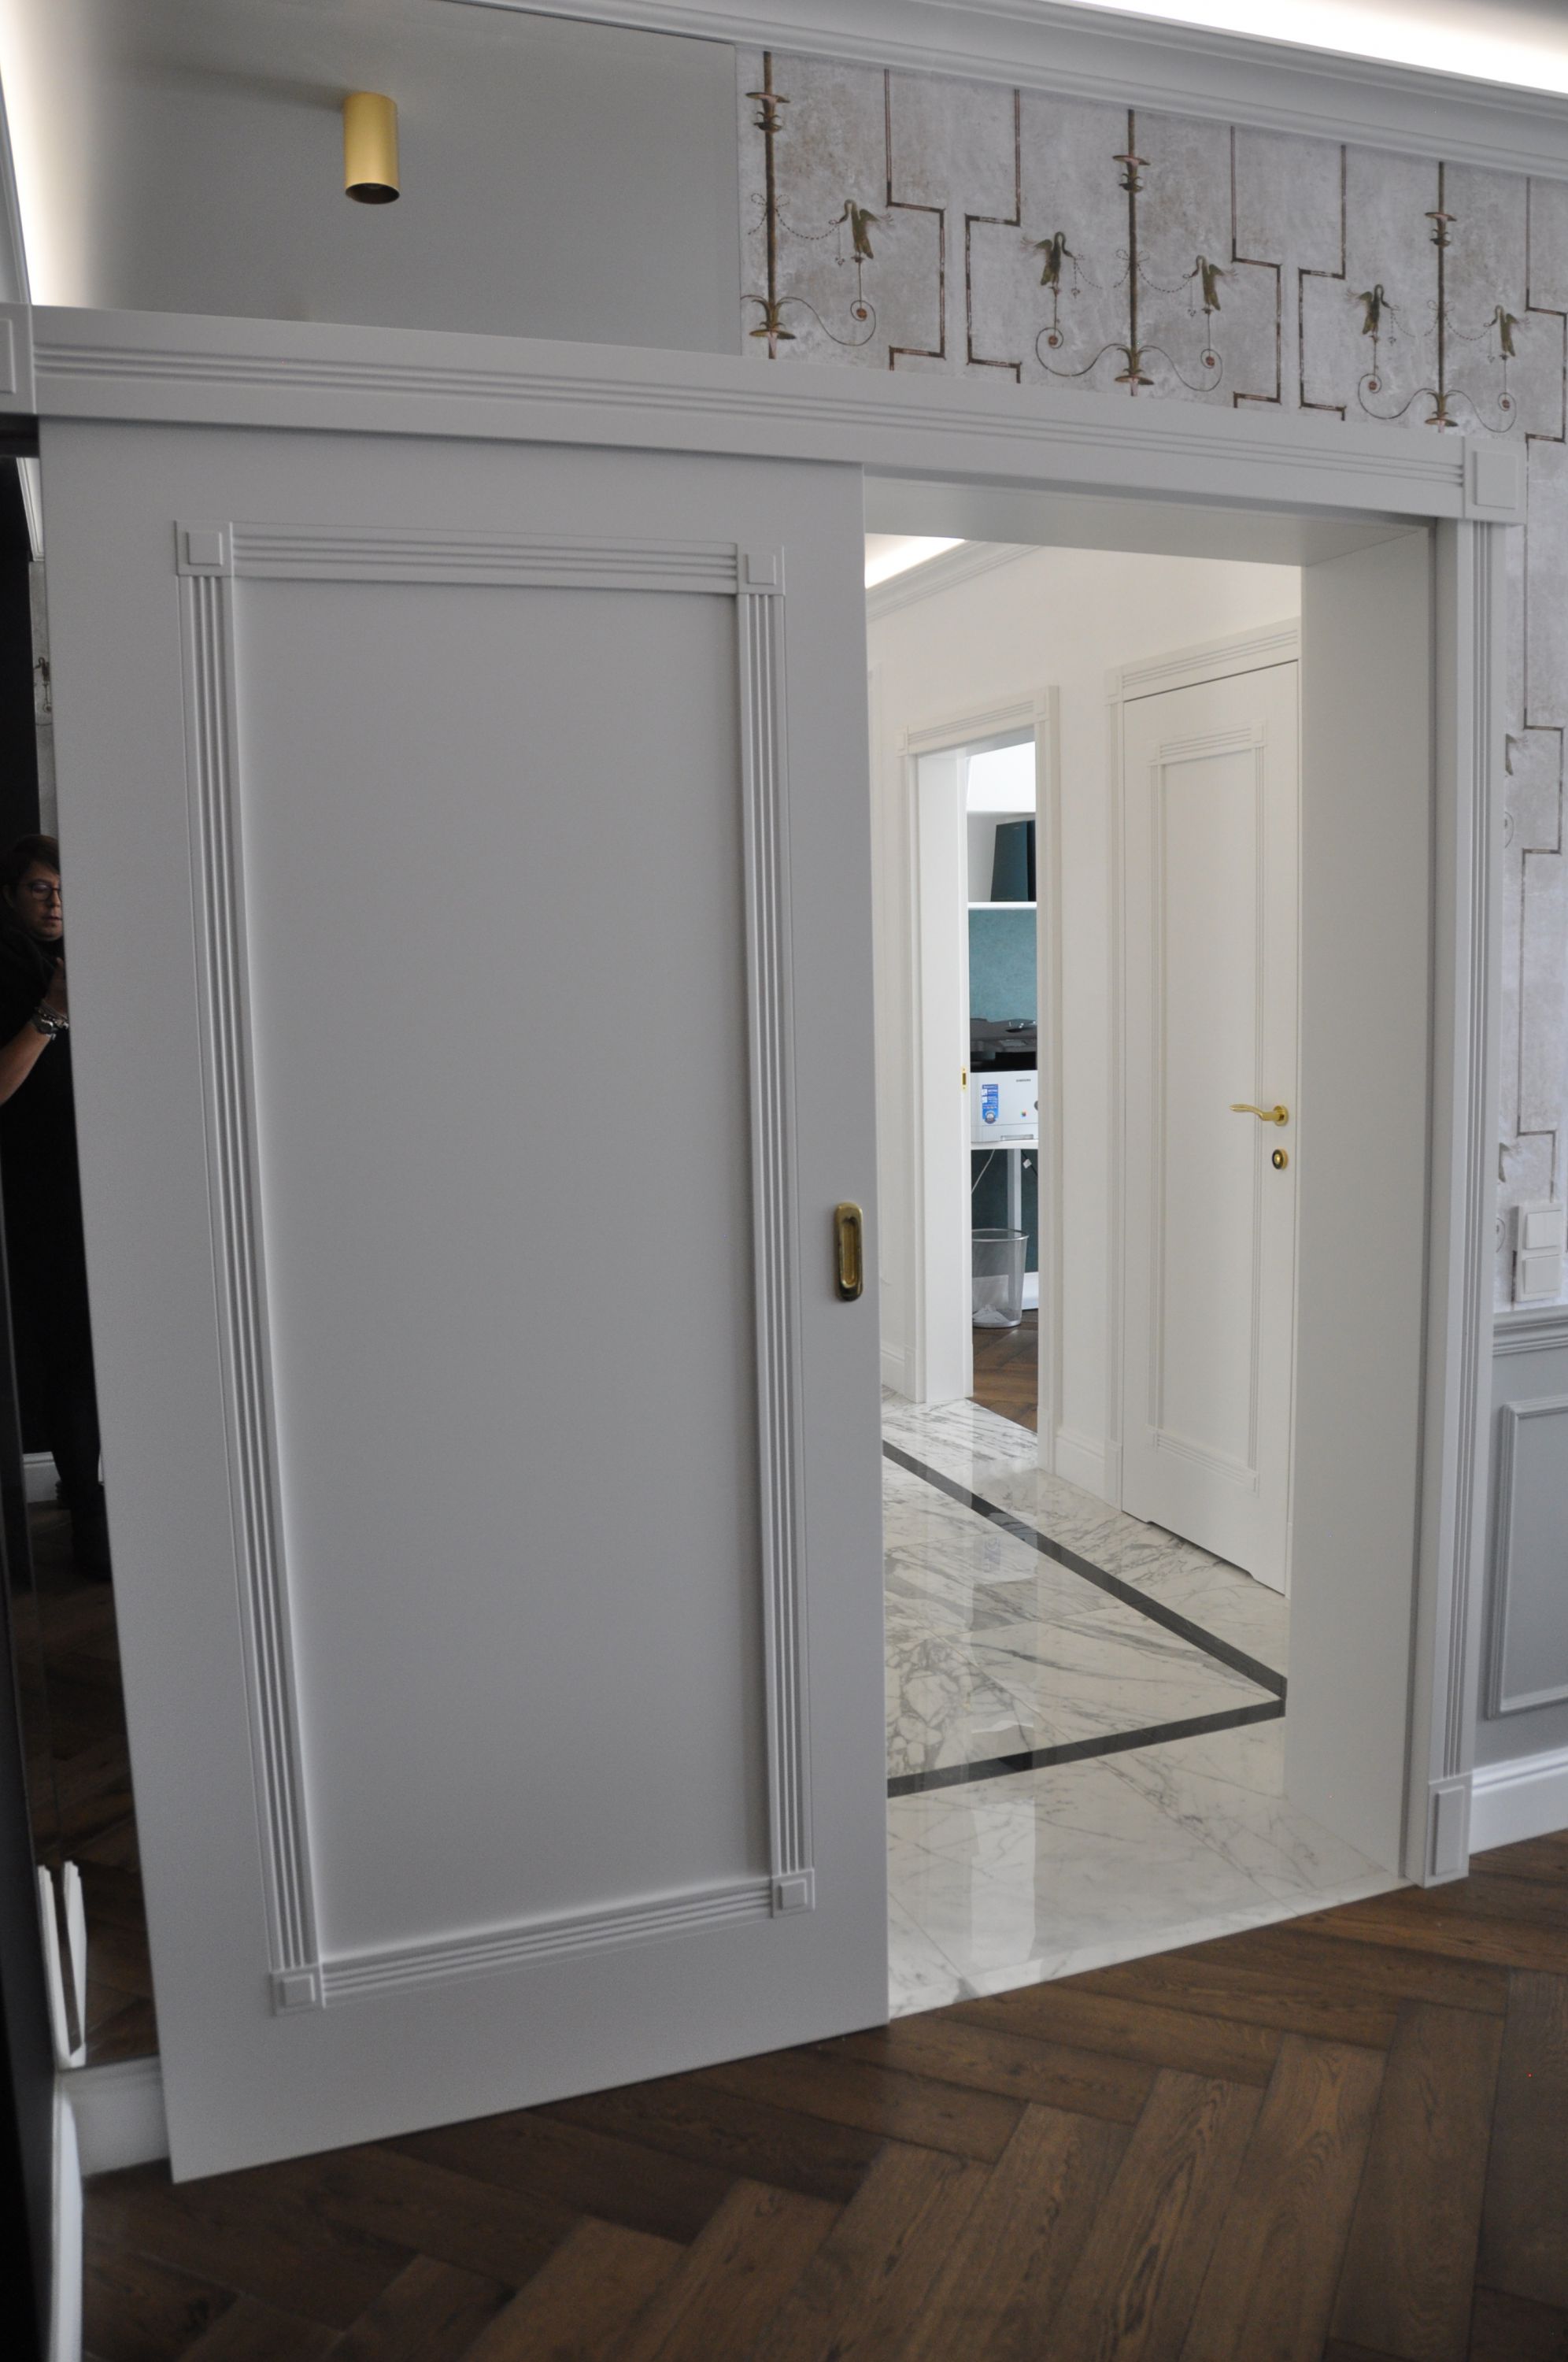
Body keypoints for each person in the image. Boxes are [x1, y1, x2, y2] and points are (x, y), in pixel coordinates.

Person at [0, 833, 108, 1575]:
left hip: (99, 1182)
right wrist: (52, 1012)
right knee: (71, 1358)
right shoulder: (15, 970)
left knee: (104, 1358)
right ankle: (90, 1531)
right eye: (40, 889)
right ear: (11, 896)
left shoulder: (82, 959)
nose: (56, 903)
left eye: (65, 888)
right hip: (44, 1195)